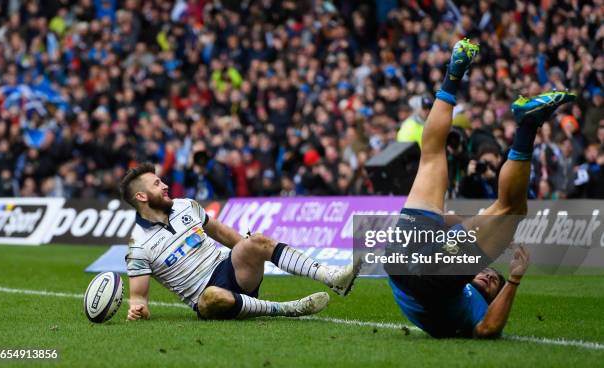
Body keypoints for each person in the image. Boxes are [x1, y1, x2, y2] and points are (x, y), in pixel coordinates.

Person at [386, 39, 575, 338]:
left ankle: (520, 122)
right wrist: (475, 224)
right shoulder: (459, 280)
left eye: (491, 282)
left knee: (509, 209)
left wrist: (512, 279)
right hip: (402, 257)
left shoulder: (473, 305)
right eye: (492, 275)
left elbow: (489, 328)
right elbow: (449, 223)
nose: (489, 277)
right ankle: (457, 75)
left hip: (413, 267)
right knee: (433, 155)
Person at [119, 163, 360, 321]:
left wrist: (251, 249)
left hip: (230, 271)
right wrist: (138, 309)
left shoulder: (186, 205)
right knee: (213, 296)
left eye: (162, 181)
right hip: (207, 298)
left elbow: (223, 234)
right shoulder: (139, 246)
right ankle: (288, 308)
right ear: (141, 196)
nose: (165, 186)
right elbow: (139, 297)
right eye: (157, 184)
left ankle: (333, 277)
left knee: (255, 240)